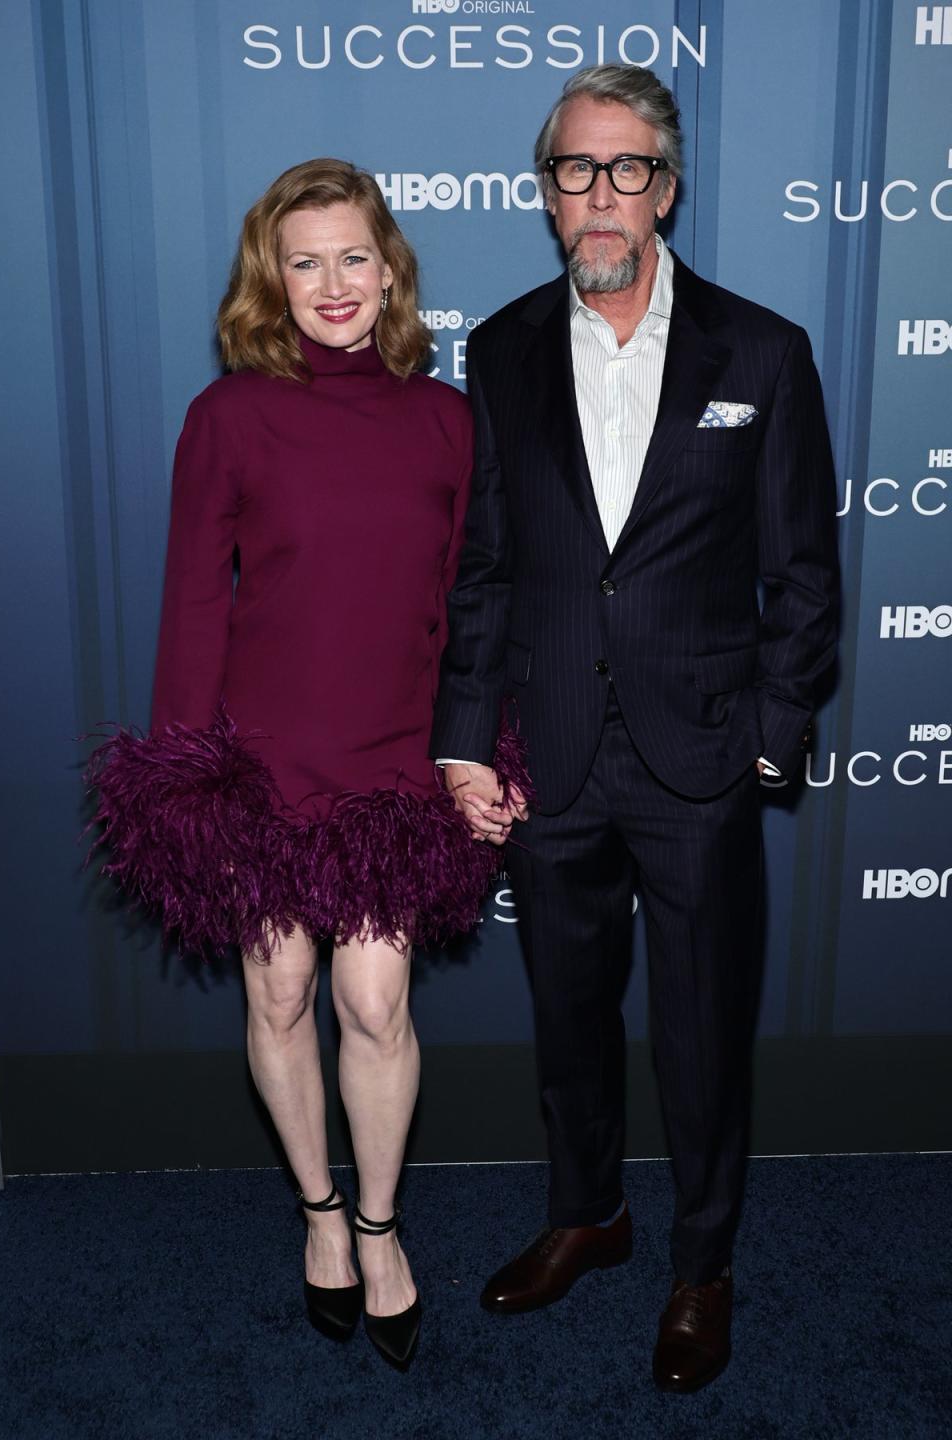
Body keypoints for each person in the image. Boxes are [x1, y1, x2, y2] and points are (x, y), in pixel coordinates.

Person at [433, 66, 839, 1392]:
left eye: (626, 170)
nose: (599, 196)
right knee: (567, 1012)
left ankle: (700, 1265)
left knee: (704, 1027)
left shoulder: (763, 352)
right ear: (545, 192)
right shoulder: (495, 351)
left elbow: (804, 572)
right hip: (548, 752)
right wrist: (465, 739)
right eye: (573, 170)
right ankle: (589, 1213)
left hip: (701, 753)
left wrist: (773, 732)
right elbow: (482, 568)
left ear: (665, 186)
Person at [88, 158, 527, 1371]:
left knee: (373, 1005)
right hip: (262, 760)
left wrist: (480, 751)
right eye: (304, 261)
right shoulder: (228, 414)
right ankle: (320, 1219)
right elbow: (193, 604)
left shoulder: (446, 418)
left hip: (395, 755)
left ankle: (381, 1227)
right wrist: (185, 778)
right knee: (277, 996)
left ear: (388, 269)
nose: (333, 284)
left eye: (353, 257)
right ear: (269, 281)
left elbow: (472, 606)